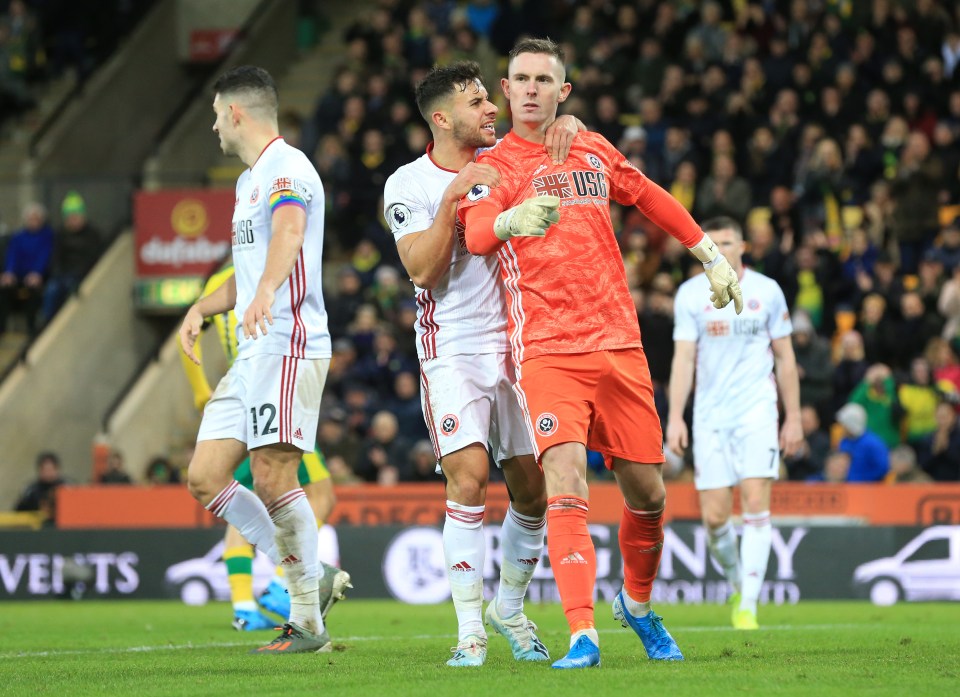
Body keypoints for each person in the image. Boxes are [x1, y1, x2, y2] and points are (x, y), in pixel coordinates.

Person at [458, 38, 742, 668]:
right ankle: (582, 632)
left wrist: (710, 254)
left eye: (543, 80)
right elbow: (476, 233)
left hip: (619, 343)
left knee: (649, 495)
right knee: (565, 482)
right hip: (550, 349)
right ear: (505, 90)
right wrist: (508, 222)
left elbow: (648, 196)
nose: (530, 88)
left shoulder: (588, 144)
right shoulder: (493, 166)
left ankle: (635, 606)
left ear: (564, 92)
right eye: (520, 79)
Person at [382, 60, 581, 668]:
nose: (491, 108)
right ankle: (470, 632)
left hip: (522, 344)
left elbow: (560, 142)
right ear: (442, 118)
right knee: (468, 480)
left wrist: (565, 124)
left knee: (534, 487)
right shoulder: (407, 184)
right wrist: (452, 200)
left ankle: (510, 608)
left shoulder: (511, 161)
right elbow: (422, 270)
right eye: (476, 102)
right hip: (454, 349)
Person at [178, 65, 333, 654]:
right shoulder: (248, 182)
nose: (214, 124)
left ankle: (307, 620)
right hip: (253, 351)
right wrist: (200, 306)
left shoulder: (288, 168)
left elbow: (290, 234)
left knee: (272, 477)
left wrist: (268, 290)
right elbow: (242, 280)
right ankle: (312, 577)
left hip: (288, 342)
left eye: (217, 114)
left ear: (236, 113)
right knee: (206, 476)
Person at [179, 261, 351, 632]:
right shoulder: (268, 267)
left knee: (241, 495)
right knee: (317, 492)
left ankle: (244, 605)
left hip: (241, 389)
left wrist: (200, 393)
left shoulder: (220, 280)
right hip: (270, 387)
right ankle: (283, 581)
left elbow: (188, 338)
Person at [666, 216, 803, 631]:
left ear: (743, 245)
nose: (721, 249)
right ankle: (736, 584)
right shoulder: (691, 294)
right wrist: (675, 417)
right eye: (713, 243)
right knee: (714, 518)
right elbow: (684, 359)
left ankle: (750, 607)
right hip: (710, 416)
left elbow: (785, 359)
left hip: (757, 412)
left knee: (757, 502)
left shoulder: (767, 291)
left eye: (728, 242)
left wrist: (793, 417)